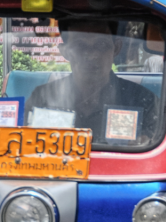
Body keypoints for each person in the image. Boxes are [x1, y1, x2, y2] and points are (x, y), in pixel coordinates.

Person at [26, 19, 159, 144]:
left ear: (116, 48)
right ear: (64, 52)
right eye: (80, 45)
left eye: (101, 44)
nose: (92, 55)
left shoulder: (142, 100)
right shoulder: (42, 97)